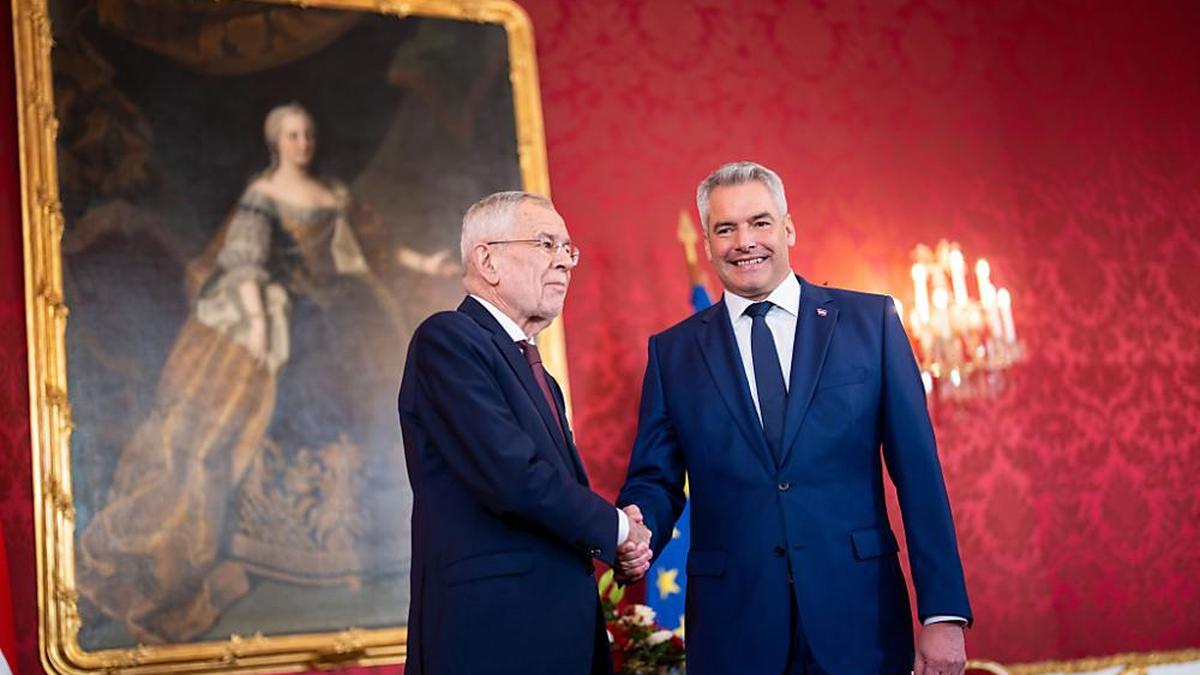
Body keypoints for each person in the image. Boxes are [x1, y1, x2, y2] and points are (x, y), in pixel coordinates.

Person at [615, 162, 972, 675]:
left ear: (788, 228)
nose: (744, 241)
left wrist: (943, 612)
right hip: (734, 629)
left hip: (861, 620)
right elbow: (656, 479)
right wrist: (636, 526)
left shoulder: (871, 323)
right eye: (725, 228)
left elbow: (919, 477)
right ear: (709, 241)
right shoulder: (672, 353)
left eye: (759, 223)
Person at [76, 102, 406, 642]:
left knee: (364, 397)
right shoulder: (261, 197)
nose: (302, 143)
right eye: (291, 135)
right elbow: (247, 264)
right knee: (246, 414)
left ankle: (352, 546)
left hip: (334, 317)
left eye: (306, 134)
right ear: (276, 142)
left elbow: (353, 261)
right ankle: (270, 545)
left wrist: (423, 265)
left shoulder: (330, 197)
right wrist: (256, 325)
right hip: (280, 318)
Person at [399, 191, 651, 675]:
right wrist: (619, 530)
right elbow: (514, 477)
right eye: (546, 245)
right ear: (488, 261)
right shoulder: (448, 340)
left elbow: (555, 497)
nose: (564, 263)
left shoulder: (539, 374)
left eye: (568, 249)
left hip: (559, 635)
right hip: (493, 639)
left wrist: (618, 539)